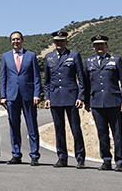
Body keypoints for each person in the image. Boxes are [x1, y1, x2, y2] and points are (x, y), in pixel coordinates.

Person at [84, 35, 122, 172]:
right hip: (97, 103)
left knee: (117, 134)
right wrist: (87, 101)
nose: (99, 47)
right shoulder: (88, 62)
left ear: (106, 45)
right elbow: (86, 84)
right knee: (102, 134)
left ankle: (120, 161)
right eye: (97, 45)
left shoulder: (115, 60)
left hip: (114, 103)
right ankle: (106, 160)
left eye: (102, 44)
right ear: (93, 47)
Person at [43, 30, 86, 168]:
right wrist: (47, 97)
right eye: (56, 41)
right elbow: (47, 81)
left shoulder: (74, 55)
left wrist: (81, 96)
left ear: (66, 42)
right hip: (55, 97)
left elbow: (81, 77)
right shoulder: (49, 57)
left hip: (71, 97)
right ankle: (62, 157)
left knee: (75, 129)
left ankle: (80, 158)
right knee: (58, 129)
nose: (59, 43)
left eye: (61, 41)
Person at [0, 31, 42, 166]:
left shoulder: (31, 55)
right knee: (14, 126)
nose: (15, 42)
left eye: (18, 39)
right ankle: (16, 154)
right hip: (12, 96)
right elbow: (3, 78)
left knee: (32, 126)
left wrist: (37, 94)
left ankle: (34, 155)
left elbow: (36, 77)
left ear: (22, 40)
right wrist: (3, 96)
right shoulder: (5, 56)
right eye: (13, 40)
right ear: (11, 41)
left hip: (28, 96)